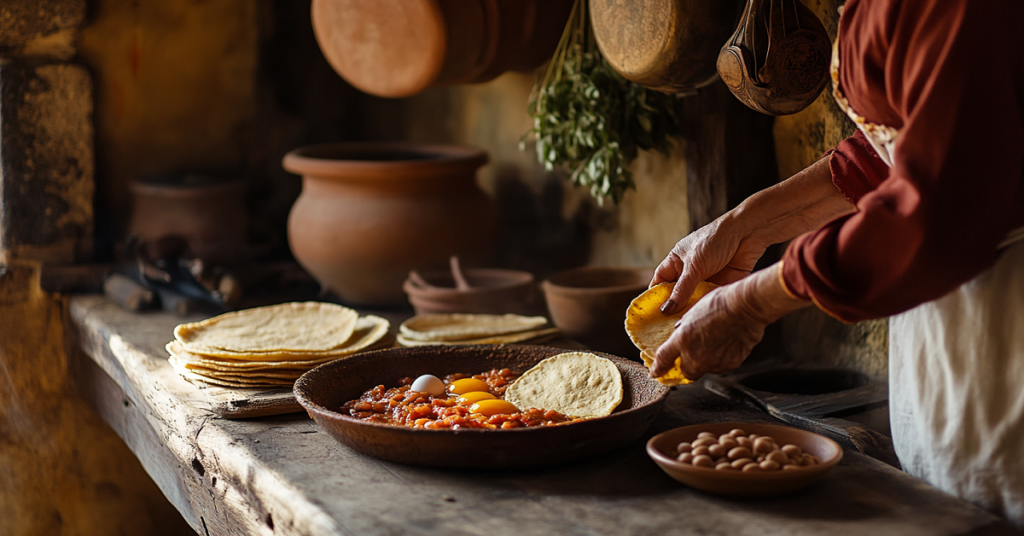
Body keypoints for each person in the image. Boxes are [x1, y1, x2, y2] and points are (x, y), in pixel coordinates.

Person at [648, 0, 1024, 527]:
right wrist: (741, 225)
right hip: (951, 314)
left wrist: (752, 303)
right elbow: (894, 148)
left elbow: (937, 215)